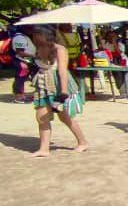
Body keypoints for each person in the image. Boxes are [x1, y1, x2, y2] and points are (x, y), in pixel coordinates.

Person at [28, 27, 88, 156]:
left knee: (64, 117)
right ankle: (44, 149)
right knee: (41, 117)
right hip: (43, 84)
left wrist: (64, 92)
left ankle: (82, 142)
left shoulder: (60, 49)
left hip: (57, 85)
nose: (36, 38)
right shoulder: (38, 49)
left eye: (39, 35)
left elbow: (62, 71)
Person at [11, 31, 35, 103]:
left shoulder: (27, 36)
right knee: (20, 78)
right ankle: (18, 96)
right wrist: (34, 56)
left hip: (28, 61)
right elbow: (20, 52)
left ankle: (22, 95)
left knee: (24, 78)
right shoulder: (19, 37)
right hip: (21, 61)